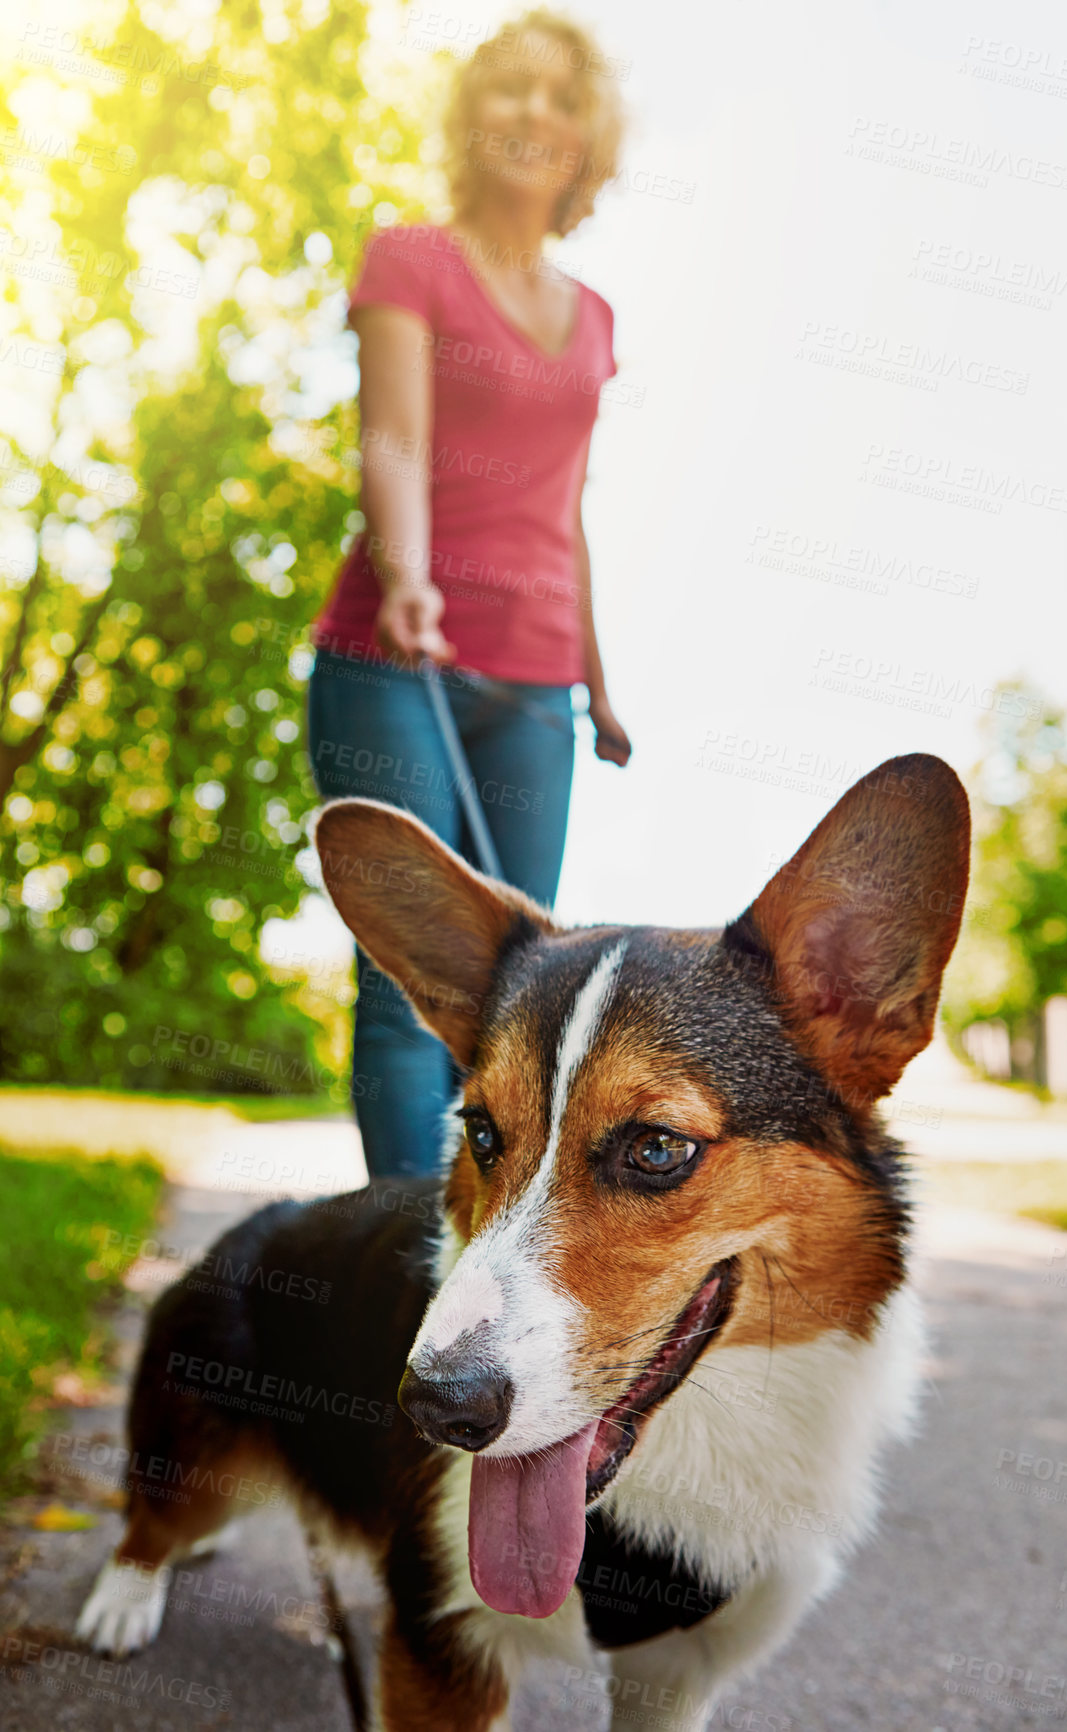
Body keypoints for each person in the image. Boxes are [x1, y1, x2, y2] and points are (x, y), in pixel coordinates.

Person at [308, 9, 631, 1177]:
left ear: (587, 134)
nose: (532, 114)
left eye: (558, 96)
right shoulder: (410, 259)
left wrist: (597, 684)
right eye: (508, 89)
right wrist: (406, 580)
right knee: (416, 985)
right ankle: (399, 1270)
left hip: (538, 679)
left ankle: (477, 1261)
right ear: (469, 117)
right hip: (399, 660)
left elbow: (569, 507)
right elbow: (390, 440)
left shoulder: (593, 318)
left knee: (512, 990)